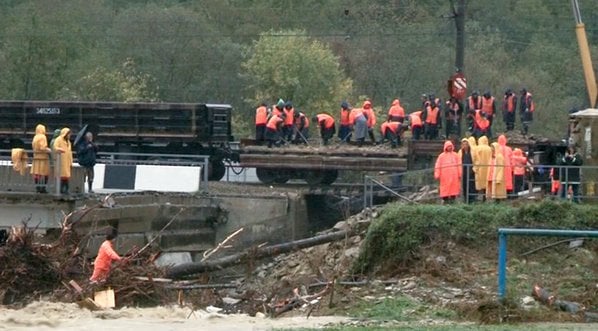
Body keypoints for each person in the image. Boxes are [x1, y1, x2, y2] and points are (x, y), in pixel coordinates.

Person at [31, 124, 52, 193]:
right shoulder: (43, 137)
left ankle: (37, 188)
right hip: (43, 158)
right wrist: (48, 150)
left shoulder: (35, 137)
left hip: (36, 158)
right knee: (45, 173)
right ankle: (43, 188)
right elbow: (42, 147)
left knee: (37, 174)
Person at [53, 128, 73, 194]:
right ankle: (61, 190)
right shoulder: (58, 139)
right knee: (61, 176)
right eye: (68, 134)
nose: (69, 135)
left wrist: (71, 162)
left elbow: (70, 153)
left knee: (66, 176)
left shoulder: (69, 142)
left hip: (67, 162)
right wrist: (60, 149)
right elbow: (55, 147)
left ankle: (66, 189)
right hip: (60, 161)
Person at [458, 138, 476, 203]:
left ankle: (472, 199)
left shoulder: (472, 151)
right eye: (463, 144)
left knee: (471, 184)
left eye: (466, 144)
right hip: (463, 170)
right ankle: (465, 199)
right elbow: (458, 161)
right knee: (464, 184)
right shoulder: (460, 152)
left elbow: (476, 160)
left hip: (471, 170)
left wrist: (474, 168)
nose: (465, 146)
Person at [475, 136, 492, 200]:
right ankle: (485, 196)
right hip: (488, 168)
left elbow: (476, 158)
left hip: (480, 168)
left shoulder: (478, 148)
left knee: (479, 182)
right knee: (486, 182)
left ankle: (478, 196)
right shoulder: (489, 148)